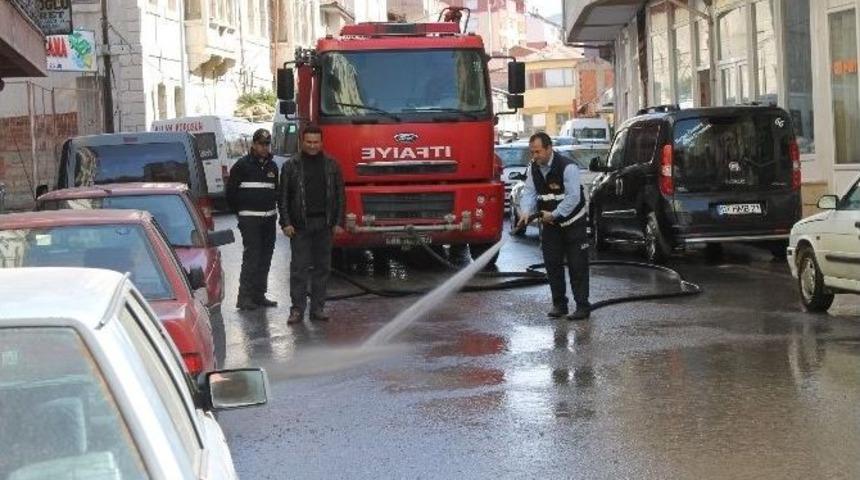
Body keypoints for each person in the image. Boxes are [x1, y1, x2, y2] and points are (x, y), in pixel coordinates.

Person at [517, 132, 591, 320]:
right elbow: (529, 193)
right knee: (552, 265)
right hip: (551, 226)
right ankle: (560, 305)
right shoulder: (534, 168)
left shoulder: (568, 167)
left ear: (549, 148)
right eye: (532, 152)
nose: (535, 156)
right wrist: (525, 211)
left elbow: (573, 197)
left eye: (538, 152)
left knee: (577, 266)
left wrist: (555, 214)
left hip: (573, 224)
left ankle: (582, 307)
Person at [279, 125, 345, 324]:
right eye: (309, 142)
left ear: (322, 142)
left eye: (316, 142)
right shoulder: (291, 166)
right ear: (302, 142)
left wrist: (338, 222)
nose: (313, 146)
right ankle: (297, 310)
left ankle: (318, 309)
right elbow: (283, 197)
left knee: (322, 269)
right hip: (300, 226)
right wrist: (286, 222)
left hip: (324, 225)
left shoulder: (332, 165)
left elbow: (340, 195)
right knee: (299, 269)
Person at [226, 128, 280, 311]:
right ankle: (244, 297)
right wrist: (241, 214)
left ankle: (259, 295)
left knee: (265, 257)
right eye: (260, 144)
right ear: (253, 144)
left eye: (266, 144)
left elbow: (276, 191)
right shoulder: (242, 166)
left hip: (269, 219)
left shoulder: (272, 167)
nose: (264, 148)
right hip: (250, 221)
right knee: (252, 257)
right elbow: (230, 194)